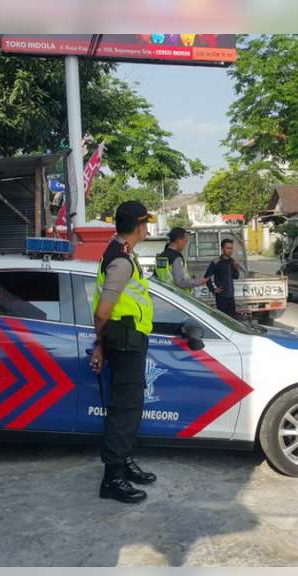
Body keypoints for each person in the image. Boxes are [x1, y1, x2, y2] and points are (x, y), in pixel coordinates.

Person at [90, 201, 157, 504]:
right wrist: (99, 343)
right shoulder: (121, 261)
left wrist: (101, 344)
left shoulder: (123, 253)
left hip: (129, 340)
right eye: (146, 224)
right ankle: (112, 478)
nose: (147, 228)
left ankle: (125, 462)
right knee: (124, 411)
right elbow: (103, 311)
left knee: (131, 407)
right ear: (139, 226)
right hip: (125, 342)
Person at [154, 227, 207, 294]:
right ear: (178, 240)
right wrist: (198, 282)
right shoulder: (176, 258)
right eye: (185, 241)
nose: (185, 244)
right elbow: (180, 282)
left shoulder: (161, 256)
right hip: (176, 295)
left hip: (164, 294)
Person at [205, 238, 241, 318]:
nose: (230, 250)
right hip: (222, 297)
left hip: (231, 297)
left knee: (232, 320)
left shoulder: (232, 261)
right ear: (222, 249)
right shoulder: (216, 262)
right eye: (227, 248)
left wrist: (236, 269)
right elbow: (207, 277)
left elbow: (236, 276)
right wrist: (213, 289)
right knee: (223, 319)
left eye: (231, 248)